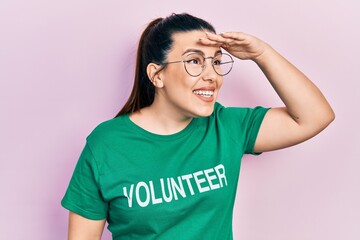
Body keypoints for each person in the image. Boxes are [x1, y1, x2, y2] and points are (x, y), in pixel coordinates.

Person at [61, 13, 335, 240]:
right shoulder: (107, 144)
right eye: (194, 61)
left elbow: (315, 116)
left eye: (216, 62)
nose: (211, 75)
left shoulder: (225, 126)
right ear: (157, 75)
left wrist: (261, 54)